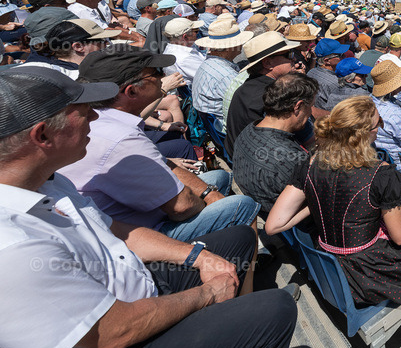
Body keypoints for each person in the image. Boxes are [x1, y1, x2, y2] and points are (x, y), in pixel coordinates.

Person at [0, 65, 298, 348]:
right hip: (116, 345)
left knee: (239, 238)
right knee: (275, 310)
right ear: (43, 135)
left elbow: (118, 232)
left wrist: (197, 256)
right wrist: (206, 294)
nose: (94, 116)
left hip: (134, 283)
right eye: (81, 111)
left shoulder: (50, 181)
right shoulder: (13, 247)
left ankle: (233, 323)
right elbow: (112, 333)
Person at [266, 94, 401, 340]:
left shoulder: (310, 163)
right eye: (376, 125)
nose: (379, 130)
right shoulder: (381, 174)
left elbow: (274, 225)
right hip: (368, 273)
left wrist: (316, 200)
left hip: (330, 266)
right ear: (362, 135)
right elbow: (400, 237)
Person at [63, 47, 261, 249]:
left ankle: (224, 244)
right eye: (156, 73)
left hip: (134, 216)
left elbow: (163, 162)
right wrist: (211, 200)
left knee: (219, 178)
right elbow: (182, 207)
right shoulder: (121, 139)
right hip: (141, 234)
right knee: (241, 205)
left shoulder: (104, 118)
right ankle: (246, 267)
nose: (163, 77)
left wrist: (208, 194)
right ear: (131, 91)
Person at [233, 73, 317, 213]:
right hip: (297, 224)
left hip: (266, 211)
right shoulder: (291, 159)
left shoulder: (248, 130)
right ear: (298, 106)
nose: (310, 113)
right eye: (311, 107)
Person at [225, 31, 302, 159]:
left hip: (241, 158)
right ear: (267, 64)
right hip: (258, 165)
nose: (293, 58)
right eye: (288, 54)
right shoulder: (274, 95)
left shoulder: (248, 86)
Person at [192, 18, 253, 133]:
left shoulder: (208, 63)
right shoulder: (226, 75)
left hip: (214, 126)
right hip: (225, 129)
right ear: (231, 47)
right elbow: (244, 106)